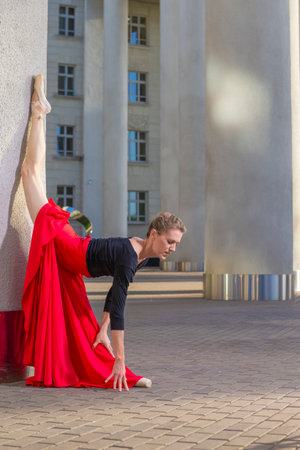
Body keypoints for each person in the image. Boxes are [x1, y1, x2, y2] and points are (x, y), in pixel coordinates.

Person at [21, 75, 186, 392]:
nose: (172, 249)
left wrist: (103, 328)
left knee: (34, 175)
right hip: (65, 244)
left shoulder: (136, 253)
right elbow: (120, 306)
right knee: (29, 172)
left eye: (176, 244)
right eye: (169, 242)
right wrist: (119, 357)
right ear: (154, 233)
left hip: (72, 253)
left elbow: (113, 298)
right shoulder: (129, 257)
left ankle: (40, 112)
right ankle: (39, 112)